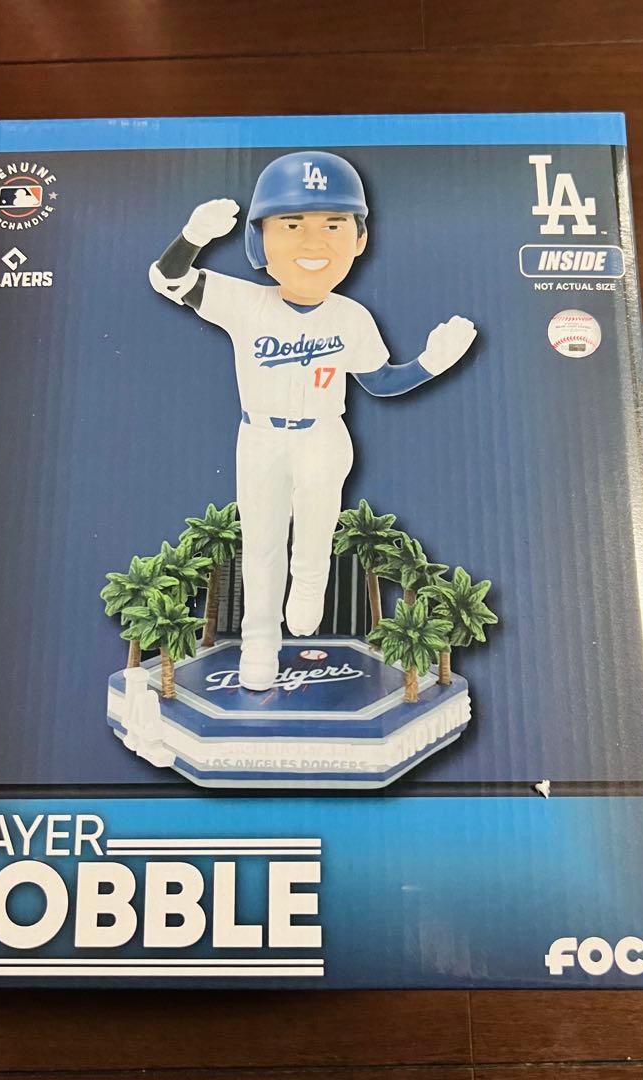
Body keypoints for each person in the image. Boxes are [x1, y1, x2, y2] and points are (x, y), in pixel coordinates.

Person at [150, 151, 476, 691]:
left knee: (316, 528)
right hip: (259, 435)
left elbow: (380, 382)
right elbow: (168, 278)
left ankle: (306, 588)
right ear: (260, 240)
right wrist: (193, 236)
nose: (313, 241)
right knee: (260, 544)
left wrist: (429, 364)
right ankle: (259, 642)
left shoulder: (351, 316)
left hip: (323, 434)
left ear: (359, 240)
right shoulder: (245, 302)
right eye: (292, 224)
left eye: (333, 224)